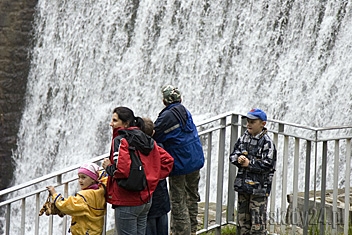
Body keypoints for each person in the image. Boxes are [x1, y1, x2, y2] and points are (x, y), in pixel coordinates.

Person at [102, 106, 174, 235]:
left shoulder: (121, 140)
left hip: (127, 199)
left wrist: (108, 167)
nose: (110, 124)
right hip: (145, 200)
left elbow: (121, 170)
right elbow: (168, 161)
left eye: (114, 120)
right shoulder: (146, 137)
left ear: (125, 123)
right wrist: (149, 178)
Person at [153, 85, 205, 235]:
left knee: (178, 201)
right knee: (192, 196)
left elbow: (154, 134)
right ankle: (192, 230)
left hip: (180, 164)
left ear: (164, 101)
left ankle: (183, 232)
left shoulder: (166, 117)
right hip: (195, 159)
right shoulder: (184, 111)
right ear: (180, 99)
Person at [229, 108, 277, 235]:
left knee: (257, 223)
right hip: (243, 186)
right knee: (242, 221)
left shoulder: (267, 143)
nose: (248, 124)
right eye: (248, 121)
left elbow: (268, 164)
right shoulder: (243, 138)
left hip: (259, 189)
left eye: (252, 122)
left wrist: (250, 164)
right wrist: (238, 159)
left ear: (263, 124)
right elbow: (233, 155)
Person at [47, 162, 107, 235]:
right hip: (96, 231)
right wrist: (100, 173)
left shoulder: (84, 196)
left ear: (93, 179)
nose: (80, 180)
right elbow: (105, 179)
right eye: (79, 177)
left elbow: (67, 205)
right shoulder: (101, 191)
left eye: (83, 177)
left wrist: (54, 194)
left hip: (84, 232)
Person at [142, 117, 171, 235]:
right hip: (162, 197)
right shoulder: (160, 147)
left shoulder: (140, 150)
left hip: (148, 197)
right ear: (153, 132)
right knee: (162, 226)